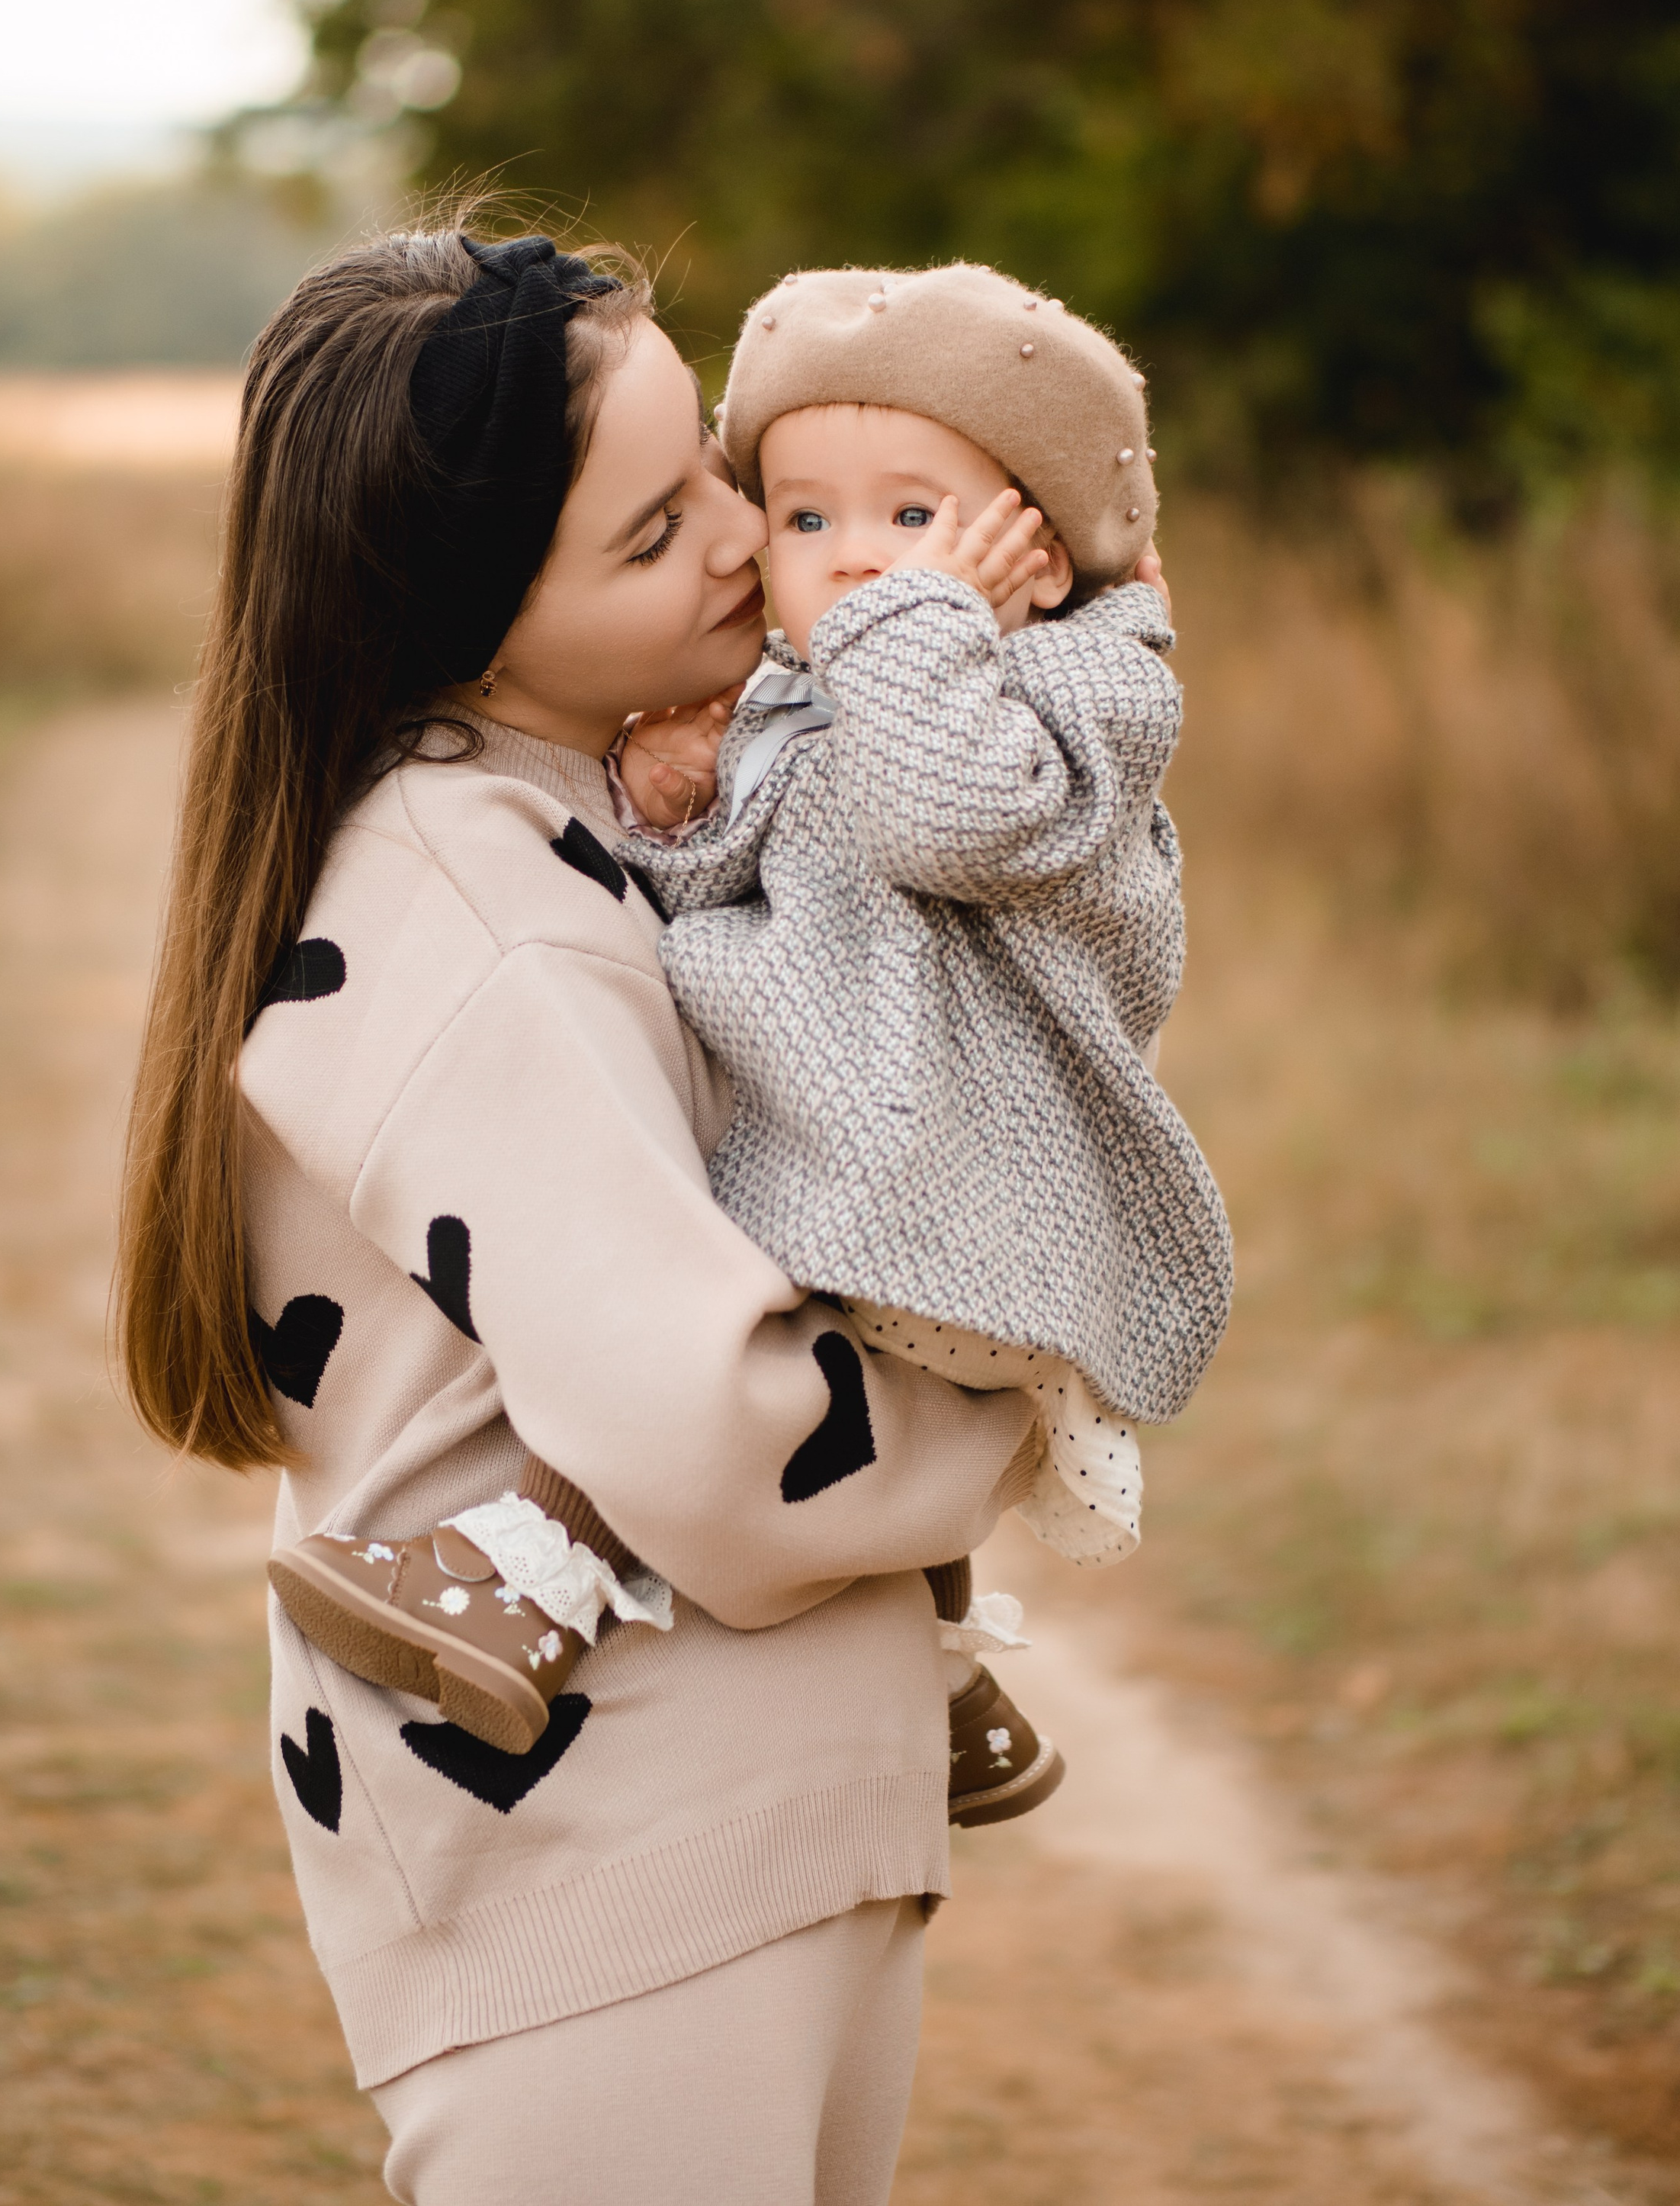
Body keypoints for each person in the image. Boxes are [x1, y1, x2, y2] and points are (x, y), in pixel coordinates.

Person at [117, 222, 1053, 2206]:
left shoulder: (614, 805)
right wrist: (1021, 1386)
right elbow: (725, 1441)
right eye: (653, 537)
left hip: (744, 1817)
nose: (746, 538)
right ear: (457, 627)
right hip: (613, 1853)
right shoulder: (479, 923)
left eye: (714, 467)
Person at [274, 262, 1232, 1828]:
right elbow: (729, 893)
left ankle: (524, 1576)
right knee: (765, 1254)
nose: (849, 566)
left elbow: (946, 818)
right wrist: (680, 803)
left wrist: (921, 631)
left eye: (913, 525)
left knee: (700, 1338)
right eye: (799, 515)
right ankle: (935, 1669)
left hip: (969, 1190)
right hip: (897, 1158)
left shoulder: (1074, 681)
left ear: (1044, 553)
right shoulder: (839, 687)